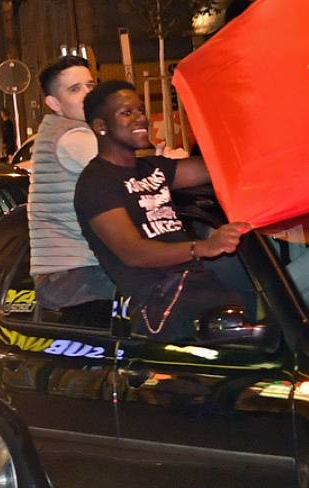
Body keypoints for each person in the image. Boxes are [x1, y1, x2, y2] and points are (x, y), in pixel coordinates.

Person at [75, 80, 250, 341]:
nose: (140, 119)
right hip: (162, 307)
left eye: (141, 110)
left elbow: (221, 168)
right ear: (101, 126)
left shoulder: (152, 168)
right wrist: (202, 247)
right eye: (127, 113)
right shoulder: (96, 183)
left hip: (197, 287)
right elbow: (133, 253)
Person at [27, 55, 115, 311]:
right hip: (77, 276)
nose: (88, 95)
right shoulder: (73, 136)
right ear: (54, 103)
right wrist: (166, 165)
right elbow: (128, 178)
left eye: (90, 86)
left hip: (70, 276)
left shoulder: (59, 130)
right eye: (75, 90)